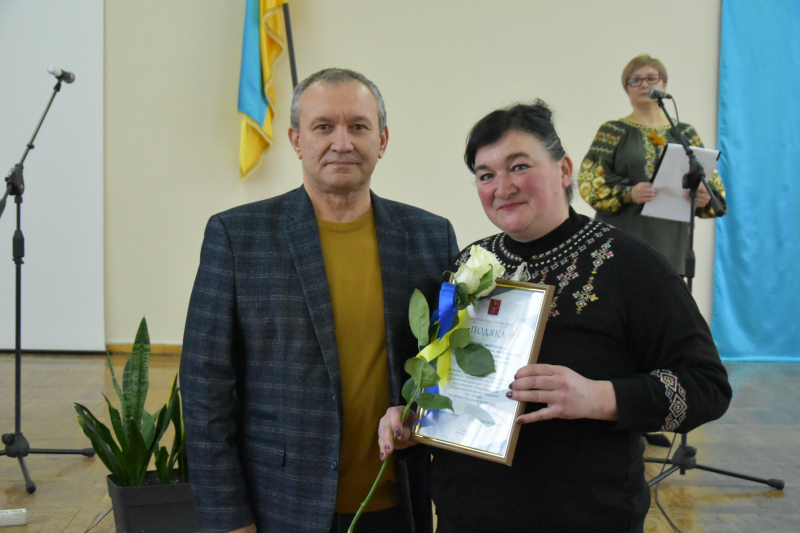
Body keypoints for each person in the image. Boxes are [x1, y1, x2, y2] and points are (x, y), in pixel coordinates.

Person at [379, 101, 731, 533]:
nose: (502, 187)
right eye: (486, 175)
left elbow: (708, 387)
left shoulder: (630, 264)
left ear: (564, 170)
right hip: (464, 515)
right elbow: (444, 378)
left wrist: (601, 396)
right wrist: (416, 416)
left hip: (585, 515)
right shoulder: (469, 263)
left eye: (519, 166)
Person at [180, 68, 457, 533]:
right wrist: (227, 518)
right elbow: (204, 390)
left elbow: (448, 363)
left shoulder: (430, 236)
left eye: (359, 126)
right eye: (323, 126)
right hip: (280, 507)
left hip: (396, 505)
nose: (341, 142)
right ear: (296, 140)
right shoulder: (237, 237)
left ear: (383, 140)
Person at [578, 54, 727, 276]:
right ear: (626, 88)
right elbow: (589, 183)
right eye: (635, 80)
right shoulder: (613, 131)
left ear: (664, 84)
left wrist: (703, 198)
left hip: (672, 246)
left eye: (651, 78)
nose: (644, 84)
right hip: (623, 241)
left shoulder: (685, 133)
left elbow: (713, 187)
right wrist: (628, 193)